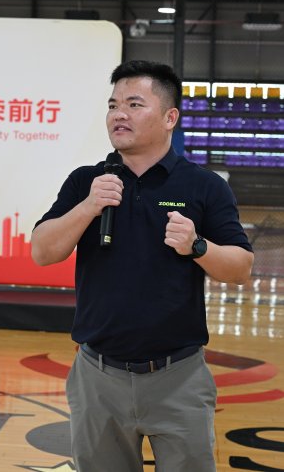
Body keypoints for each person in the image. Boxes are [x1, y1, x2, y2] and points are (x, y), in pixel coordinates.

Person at [31, 60, 254, 472]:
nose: (119, 114)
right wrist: (88, 207)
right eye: (113, 105)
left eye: (134, 104)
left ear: (170, 118)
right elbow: (43, 252)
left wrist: (197, 246)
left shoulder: (204, 186)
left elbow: (240, 268)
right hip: (97, 377)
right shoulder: (86, 182)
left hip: (179, 377)